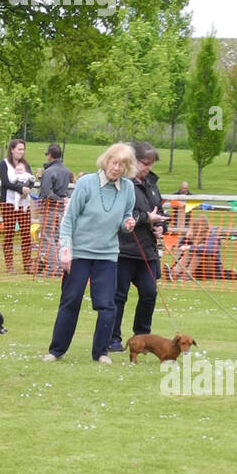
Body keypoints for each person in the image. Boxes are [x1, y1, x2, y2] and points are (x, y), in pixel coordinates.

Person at [44, 142, 138, 363]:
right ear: (106, 160)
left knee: (107, 306)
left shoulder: (128, 189)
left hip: (107, 255)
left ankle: (101, 352)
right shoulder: (86, 184)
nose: (116, 168)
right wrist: (65, 251)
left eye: (122, 166)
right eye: (114, 162)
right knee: (71, 301)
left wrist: (128, 223)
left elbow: (125, 216)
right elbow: (68, 221)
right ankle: (56, 350)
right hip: (79, 254)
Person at [110, 141, 167, 350]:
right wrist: (145, 218)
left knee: (149, 293)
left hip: (148, 252)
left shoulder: (152, 185)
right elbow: (119, 214)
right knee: (118, 296)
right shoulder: (122, 184)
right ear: (133, 160)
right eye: (145, 163)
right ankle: (113, 338)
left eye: (151, 164)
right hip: (124, 250)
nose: (148, 168)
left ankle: (142, 337)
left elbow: (159, 211)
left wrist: (161, 227)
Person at [0, 137, 35, 273]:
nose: (21, 152)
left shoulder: (26, 165)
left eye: (23, 149)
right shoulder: (4, 164)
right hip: (8, 203)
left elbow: (31, 180)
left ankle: (28, 264)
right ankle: (10, 265)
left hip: (24, 204)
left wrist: (27, 188)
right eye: (19, 149)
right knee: (9, 233)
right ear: (12, 150)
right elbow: (6, 183)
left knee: (25, 233)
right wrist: (20, 189)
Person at [36, 143, 71, 275]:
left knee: (47, 238)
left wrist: (56, 199)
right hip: (61, 209)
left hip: (49, 209)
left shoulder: (49, 171)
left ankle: (52, 268)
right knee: (57, 238)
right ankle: (59, 266)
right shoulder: (66, 171)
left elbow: (46, 193)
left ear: (50, 155)